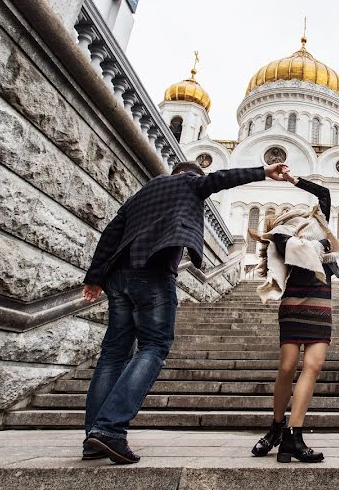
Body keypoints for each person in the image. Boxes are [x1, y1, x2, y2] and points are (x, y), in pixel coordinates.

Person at [80, 160, 288, 464]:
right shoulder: (189, 183)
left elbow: (111, 233)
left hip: (118, 278)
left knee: (113, 354)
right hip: (151, 271)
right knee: (153, 346)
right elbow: (222, 179)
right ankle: (110, 429)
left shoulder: (141, 193)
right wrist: (262, 172)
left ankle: (92, 439)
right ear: (192, 175)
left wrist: (95, 277)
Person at [250, 171, 339, 463]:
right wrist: (288, 228)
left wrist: (294, 180)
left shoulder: (321, 231)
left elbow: (324, 194)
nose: (300, 213)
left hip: (320, 302)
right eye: (291, 212)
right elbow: (282, 243)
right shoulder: (281, 237)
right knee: (287, 366)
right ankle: (275, 427)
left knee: (313, 366)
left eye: (302, 212)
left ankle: (293, 435)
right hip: (294, 302)